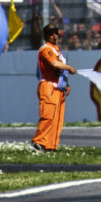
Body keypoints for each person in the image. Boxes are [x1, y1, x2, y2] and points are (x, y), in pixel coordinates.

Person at [31, 24, 77, 152]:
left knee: (57, 119)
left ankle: (51, 145)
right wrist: (70, 68)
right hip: (48, 86)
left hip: (57, 87)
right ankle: (38, 142)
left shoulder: (56, 51)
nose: (55, 35)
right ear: (46, 36)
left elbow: (59, 71)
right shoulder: (46, 49)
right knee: (48, 116)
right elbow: (54, 63)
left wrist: (65, 84)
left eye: (56, 32)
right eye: (51, 33)